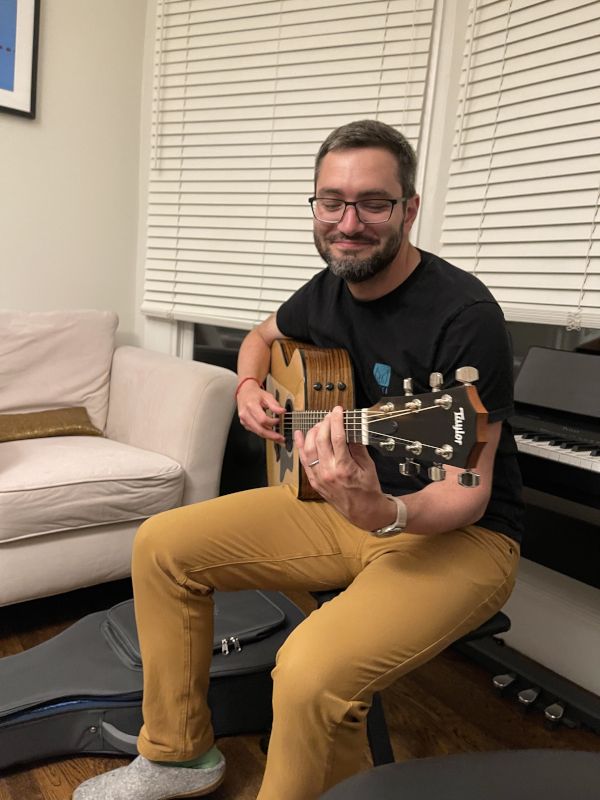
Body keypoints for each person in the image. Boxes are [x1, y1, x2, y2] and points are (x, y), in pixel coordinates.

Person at [74, 119, 523, 800]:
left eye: (373, 202)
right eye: (331, 201)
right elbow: (260, 337)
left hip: (459, 534)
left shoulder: (464, 316)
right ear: (314, 206)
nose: (349, 222)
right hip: (337, 504)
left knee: (311, 671)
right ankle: (176, 756)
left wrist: (383, 509)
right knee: (162, 543)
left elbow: (471, 491)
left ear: (410, 208)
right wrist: (250, 387)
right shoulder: (327, 290)